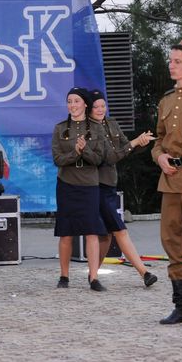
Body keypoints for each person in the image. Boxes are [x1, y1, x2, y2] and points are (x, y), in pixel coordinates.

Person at [88, 89, 157, 287]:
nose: (101, 109)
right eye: (96, 106)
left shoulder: (112, 123)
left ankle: (93, 275)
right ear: (89, 109)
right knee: (120, 230)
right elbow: (110, 157)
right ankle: (144, 272)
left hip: (110, 183)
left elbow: (126, 148)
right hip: (96, 185)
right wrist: (133, 143)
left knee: (106, 235)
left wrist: (140, 142)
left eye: (103, 105)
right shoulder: (87, 128)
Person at [151, 37, 182, 327]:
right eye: (170, 61)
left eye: (178, 61)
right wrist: (160, 157)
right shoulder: (166, 100)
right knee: (173, 244)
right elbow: (159, 140)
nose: (172, 65)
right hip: (170, 180)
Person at [52, 87, 107, 291]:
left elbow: (99, 159)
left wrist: (85, 150)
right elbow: (58, 159)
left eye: (76, 101)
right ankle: (64, 276)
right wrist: (75, 152)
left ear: (85, 104)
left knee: (92, 231)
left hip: (89, 185)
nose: (72, 105)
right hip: (66, 184)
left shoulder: (97, 128)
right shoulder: (60, 128)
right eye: (69, 101)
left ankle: (93, 277)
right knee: (66, 232)